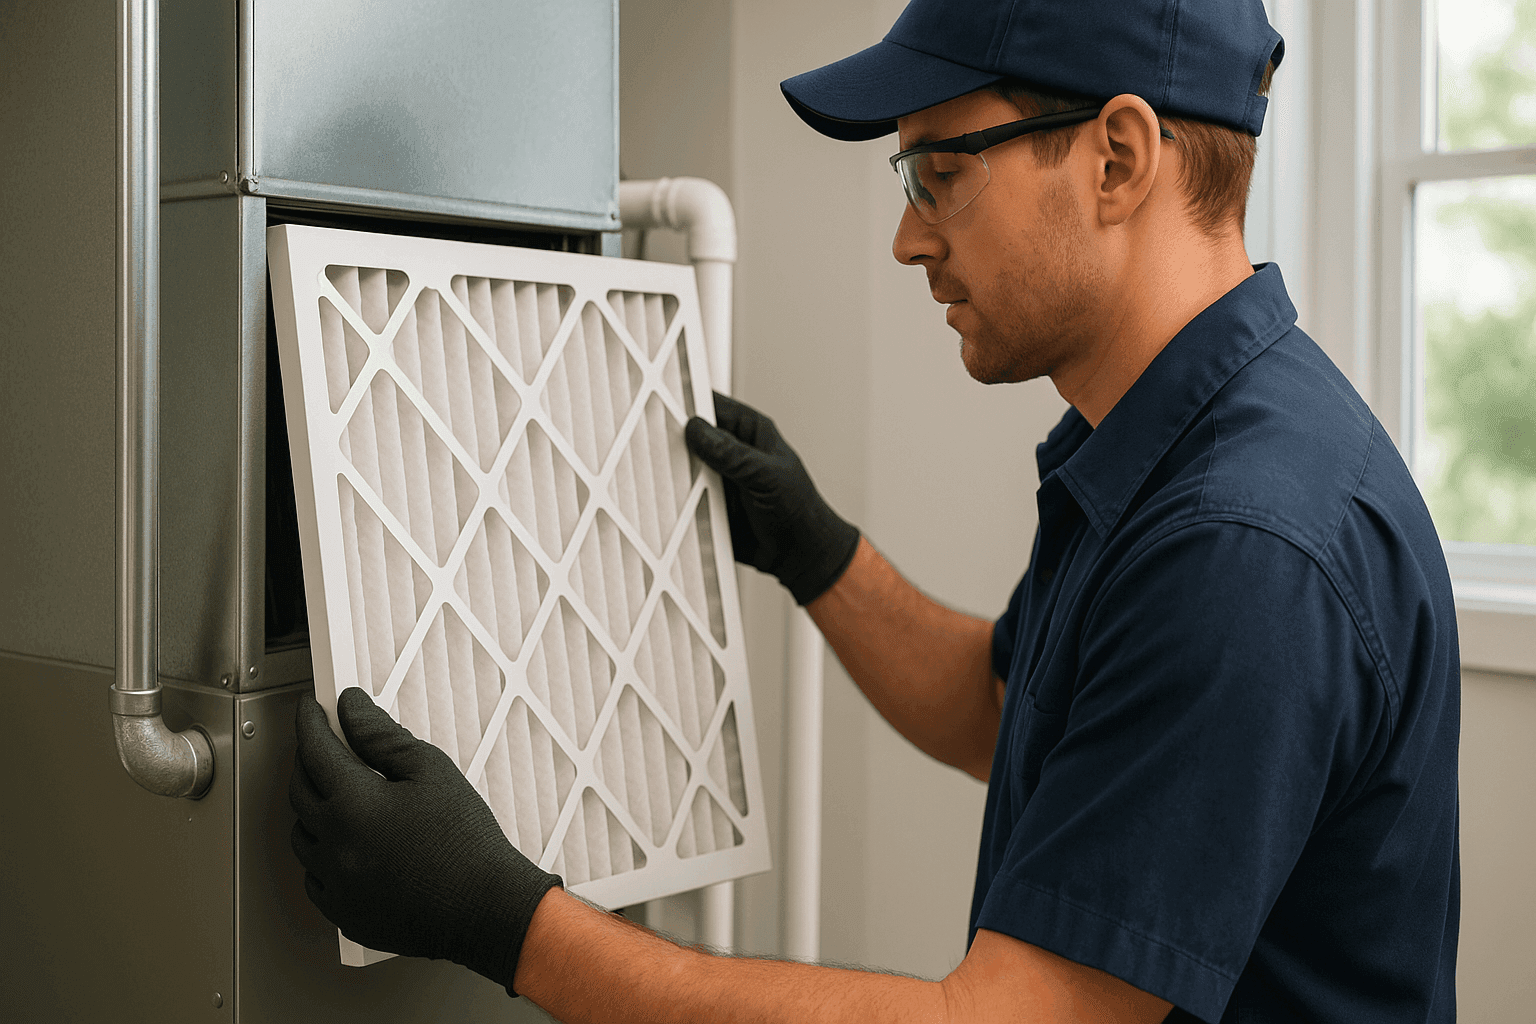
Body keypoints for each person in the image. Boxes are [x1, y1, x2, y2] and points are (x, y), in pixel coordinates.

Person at [288, 1, 1461, 1020]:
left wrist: (510, 924)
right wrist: (818, 551)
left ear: (1118, 157)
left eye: (940, 172)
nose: (908, 237)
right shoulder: (1167, 446)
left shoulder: (1244, 545)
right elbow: (1008, 714)